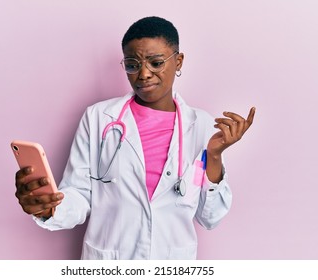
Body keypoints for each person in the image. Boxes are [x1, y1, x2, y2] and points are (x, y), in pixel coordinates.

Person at [15, 16, 255, 259]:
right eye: (132, 64)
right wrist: (49, 207)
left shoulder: (201, 125)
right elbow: (79, 193)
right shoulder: (99, 117)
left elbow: (210, 217)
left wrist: (214, 155)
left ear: (178, 61)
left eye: (156, 62)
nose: (143, 74)